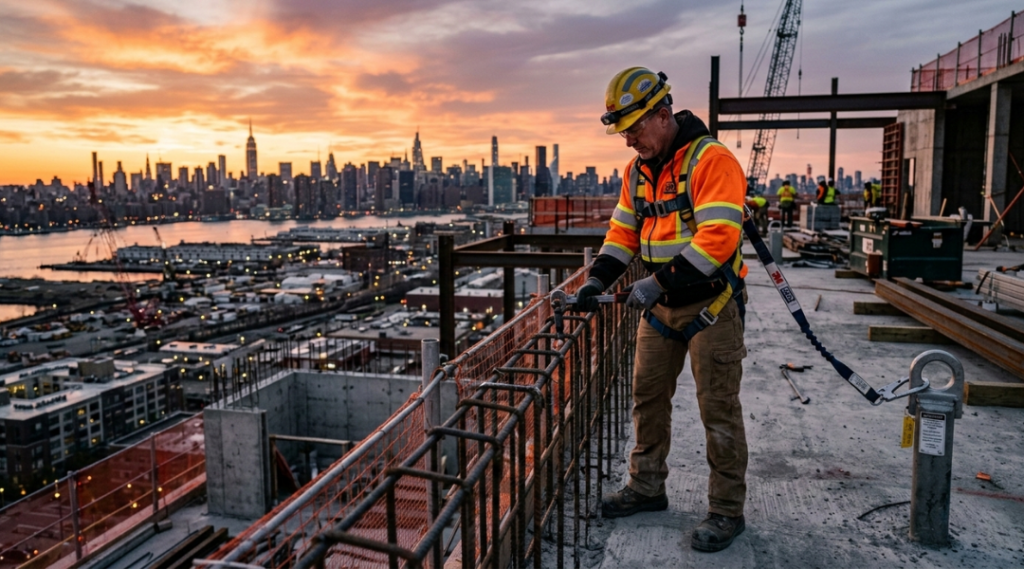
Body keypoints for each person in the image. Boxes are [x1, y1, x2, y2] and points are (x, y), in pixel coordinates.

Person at [575, 67, 749, 553]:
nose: (629, 140)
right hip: (661, 309)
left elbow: (718, 240)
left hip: (710, 305)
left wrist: (656, 283)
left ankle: (726, 510)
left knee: (718, 411)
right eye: (624, 131)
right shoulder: (638, 172)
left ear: (663, 112)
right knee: (646, 399)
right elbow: (623, 234)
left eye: (635, 128)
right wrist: (596, 281)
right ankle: (646, 487)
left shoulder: (711, 160)